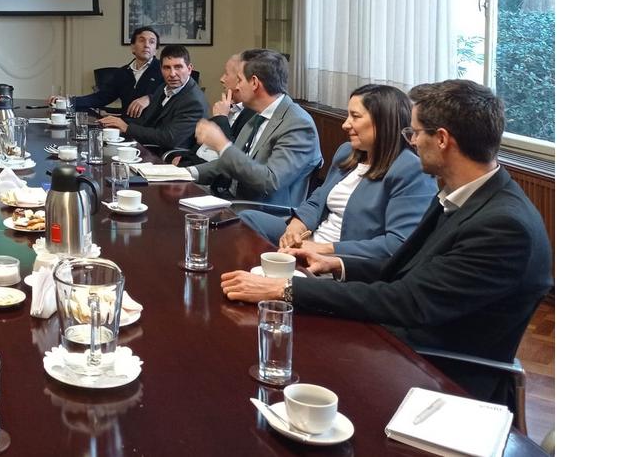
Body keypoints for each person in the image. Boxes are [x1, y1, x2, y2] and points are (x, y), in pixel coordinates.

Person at [220, 79, 552, 408]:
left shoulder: (503, 226)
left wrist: (287, 289)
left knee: (279, 353)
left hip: (438, 375)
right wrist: (341, 265)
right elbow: (413, 269)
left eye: (415, 133)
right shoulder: (462, 194)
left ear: (441, 139)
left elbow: (408, 301)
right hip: (399, 339)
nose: (411, 142)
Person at [240, 84, 436, 259]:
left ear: (383, 121)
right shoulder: (346, 152)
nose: (345, 124)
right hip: (312, 238)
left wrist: (323, 249)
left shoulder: (411, 169)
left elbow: (397, 244)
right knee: (246, 220)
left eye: (355, 117)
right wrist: (296, 226)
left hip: (344, 257)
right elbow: (317, 200)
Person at [188, 49, 321, 207]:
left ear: (254, 83)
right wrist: (187, 173)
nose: (236, 87)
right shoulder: (257, 116)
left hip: (262, 212)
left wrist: (221, 145)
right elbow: (231, 164)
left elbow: (271, 181)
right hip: (232, 200)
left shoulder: (298, 124)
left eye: (239, 80)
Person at [97, 44, 207, 152]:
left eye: (178, 67)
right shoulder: (163, 87)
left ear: (189, 69)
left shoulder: (193, 101)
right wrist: (116, 122)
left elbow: (169, 138)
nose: (172, 74)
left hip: (170, 155)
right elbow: (146, 120)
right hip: (150, 146)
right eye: (167, 68)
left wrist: (126, 127)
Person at [59, 26, 164, 117]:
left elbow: (171, 94)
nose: (146, 45)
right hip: (126, 124)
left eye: (151, 42)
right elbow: (101, 97)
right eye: (141, 40)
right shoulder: (122, 72)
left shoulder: (164, 69)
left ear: (155, 50)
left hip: (153, 126)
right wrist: (69, 101)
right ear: (133, 47)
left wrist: (150, 98)